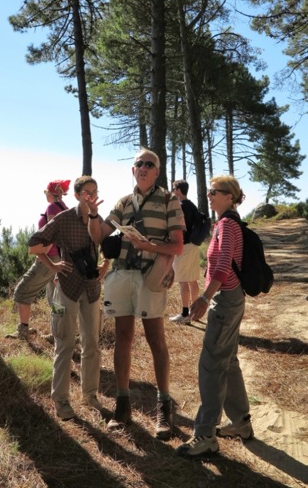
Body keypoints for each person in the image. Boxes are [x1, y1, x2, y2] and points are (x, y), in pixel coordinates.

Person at [87, 148, 185, 440]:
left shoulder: (169, 201)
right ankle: (123, 406)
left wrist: (147, 246)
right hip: (121, 276)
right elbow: (98, 235)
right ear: (133, 170)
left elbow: (178, 245)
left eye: (148, 164)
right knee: (123, 339)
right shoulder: (123, 202)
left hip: (149, 277)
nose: (142, 167)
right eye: (138, 164)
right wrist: (92, 213)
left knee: (156, 340)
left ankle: (164, 408)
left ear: (157, 171)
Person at [176, 175, 253, 457]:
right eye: (209, 191)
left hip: (225, 300)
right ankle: (241, 422)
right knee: (227, 361)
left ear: (229, 197)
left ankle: (206, 434)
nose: (208, 195)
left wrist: (205, 297)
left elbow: (222, 267)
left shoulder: (227, 225)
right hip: (232, 297)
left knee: (211, 366)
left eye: (214, 191)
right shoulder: (227, 223)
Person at [27, 176, 110, 420]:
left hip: (91, 289)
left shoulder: (97, 218)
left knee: (92, 344)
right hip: (66, 288)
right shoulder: (63, 220)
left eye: (94, 191)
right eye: (86, 192)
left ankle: (90, 395)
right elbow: (34, 245)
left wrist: (106, 263)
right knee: (64, 343)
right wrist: (53, 265)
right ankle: (61, 401)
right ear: (76, 195)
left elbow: (106, 243)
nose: (91, 196)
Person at [6, 179, 71, 340]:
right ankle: (58, 333)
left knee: (22, 291)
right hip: (61, 257)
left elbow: (52, 231)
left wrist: (43, 253)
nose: (45, 195)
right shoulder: (65, 208)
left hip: (50, 258)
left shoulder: (52, 207)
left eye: (46, 192)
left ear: (51, 193)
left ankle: (23, 331)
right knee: (55, 298)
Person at [169, 179, 202, 325]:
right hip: (194, 246)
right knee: (192, 280)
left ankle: (184, 314)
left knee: (183, 281)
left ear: (178, 190)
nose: (172, 192)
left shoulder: (180, 206)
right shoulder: (192, 206)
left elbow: (178, 228)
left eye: (173, 189)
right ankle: (195, 312)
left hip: (184, 247)